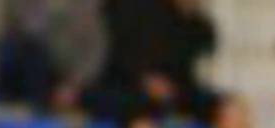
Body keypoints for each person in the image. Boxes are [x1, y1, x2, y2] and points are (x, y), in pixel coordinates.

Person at [86, 0, 219, 120]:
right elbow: (118, 55)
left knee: (214, 105)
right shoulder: (131, 8)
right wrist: (145, 79)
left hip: (172, 90)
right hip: (125, 84)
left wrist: (190, 15)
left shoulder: (197, 26)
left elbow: (192, 68)